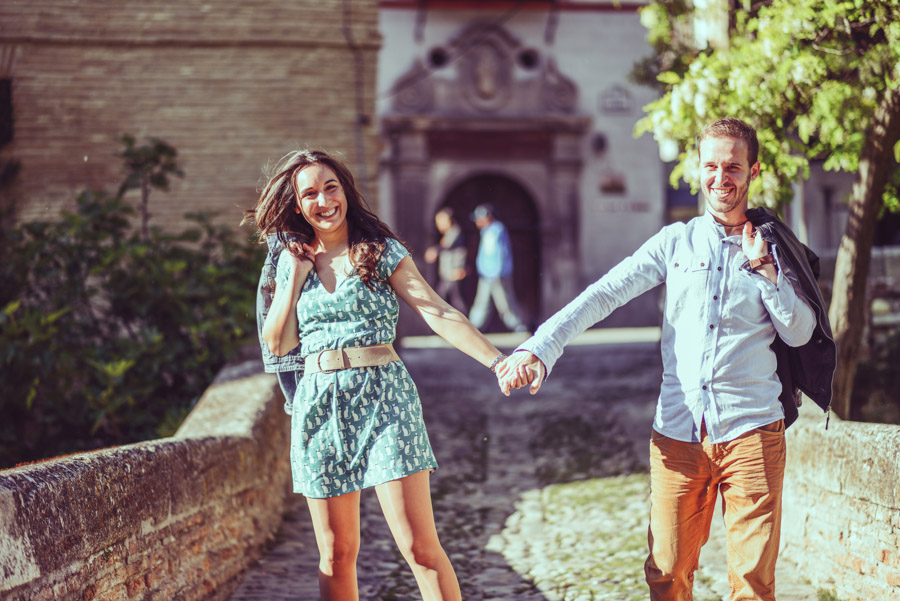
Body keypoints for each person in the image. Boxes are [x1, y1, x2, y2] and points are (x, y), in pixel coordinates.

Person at [497, 118, 833, 601]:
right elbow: (604, 293)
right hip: (678, 435)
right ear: (698, 169)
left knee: (753, 585)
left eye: (733, 167)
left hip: (754, 431)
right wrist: (539, 347)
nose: (722, 178)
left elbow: (801, 331)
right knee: (667, 573)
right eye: (712, 166)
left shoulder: (774, 248)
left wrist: (763, 269)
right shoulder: (675, 243)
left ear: (753, 171)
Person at [250, 149, 508, 601]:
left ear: (345, 190)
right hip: (318, 407)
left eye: (331, 187)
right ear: (296, 205)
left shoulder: (380, 252)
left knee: (419, 547)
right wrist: (292, 278)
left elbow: (438, 311)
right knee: (335, 553)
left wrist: (496, 360)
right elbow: (278, 343)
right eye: (310, 193)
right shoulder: (288, 264)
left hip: (385, 399)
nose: (324, 200)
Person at [467, 204, 528, 333]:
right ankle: (473, 328)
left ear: (488, 217)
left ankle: (518, 326)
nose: (477, 221)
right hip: (487, 274)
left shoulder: (496, 230)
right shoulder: (487, 231)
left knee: (505, 302)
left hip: (496, 275)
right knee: (482, 302)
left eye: (479, 218)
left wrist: (497, 272)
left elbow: (500, 253)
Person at [424, 207, 468, 312]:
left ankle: (464, 324)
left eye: (440, 221)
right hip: (448, 274)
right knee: (450, 300)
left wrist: (434, 251)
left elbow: (446, 245)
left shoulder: (455, 232)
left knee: (451, 301)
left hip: (453, 273)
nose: (438, 224)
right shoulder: (449, 233)